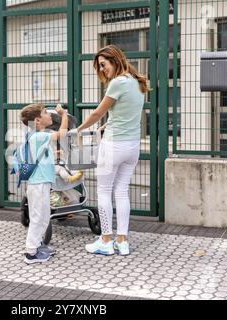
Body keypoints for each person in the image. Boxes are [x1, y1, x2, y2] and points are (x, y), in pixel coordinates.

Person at [71, 45, 149, 256]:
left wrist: (77, 129)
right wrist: (108, 124)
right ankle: (122, 241)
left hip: (113, 146)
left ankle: (106, 240)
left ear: (115, 60)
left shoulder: (117, 83)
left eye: (103, 65)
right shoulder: (137, 82)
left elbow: (98, 113)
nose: (102, 70)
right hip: (132, 146)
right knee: (122, 191)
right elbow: (126, 114)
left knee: (104, 191)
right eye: (99, 67)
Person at [19, 103, 68, 264]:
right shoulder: (39, 135)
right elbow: (62, 133)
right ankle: (31, 253)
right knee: (38, 217)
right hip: (38, 185)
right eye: (46, 112)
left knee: (44, 216)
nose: (50, 115)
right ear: (38, 120)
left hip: (41, 184)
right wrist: (64, 115)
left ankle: (38, 245)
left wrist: (54, 153)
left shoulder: (36, 135)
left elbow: (40, 154)